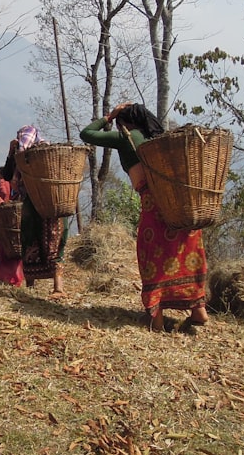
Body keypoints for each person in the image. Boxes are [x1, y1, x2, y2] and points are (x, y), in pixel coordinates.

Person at [79, 102, 210, 332]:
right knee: (185, 253)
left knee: (152, 255)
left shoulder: (127, 138)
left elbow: (86, 134)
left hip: (155, 205)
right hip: (182, 205)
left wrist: (110, 116)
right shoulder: (161, 138)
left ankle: (156, 318)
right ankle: (198, 310)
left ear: (126, 123)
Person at [1, 125, 69, 299]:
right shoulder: (20, 158)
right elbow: (8, 175)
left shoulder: (46, 153)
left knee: (54, 243)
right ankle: (32, 285)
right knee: (31, 242)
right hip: (33, 204)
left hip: (51, 203)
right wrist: (11, 153)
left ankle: (58, 287)